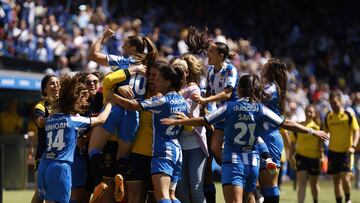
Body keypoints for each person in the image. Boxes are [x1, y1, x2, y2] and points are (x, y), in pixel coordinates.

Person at [161, 74, 328, 203]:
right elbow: (286, 123)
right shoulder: (261, 109)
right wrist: (311, 131)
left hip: (234, 163)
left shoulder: (230, 107)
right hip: (253, 165)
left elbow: (205, 120)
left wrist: (181, 121)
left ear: (239, 89)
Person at [88, 28, 157, 202]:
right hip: (134, 116)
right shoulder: (149, 69)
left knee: (94, 148)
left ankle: (98, 183)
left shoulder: (124, 61)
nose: (121, 47)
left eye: (125, 44)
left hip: (115, 109)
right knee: (123, 156)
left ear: (133, 49)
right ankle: (120, 174)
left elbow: (94, 55)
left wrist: (103, 36)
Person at [108, 61, 187, 203]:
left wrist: (111, 94)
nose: (154, 82)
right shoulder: (181, 100)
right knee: (171, 196)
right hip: (176, 150)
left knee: (162, 197)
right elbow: (188, 126)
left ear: (168, 82)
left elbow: (132, 105)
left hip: (162, 151)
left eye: (158, 79)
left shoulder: (162, 101)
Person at [37, 75, 113, 203]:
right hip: (61, 166)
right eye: (81, 100)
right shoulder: (73, 120)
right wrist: (109, 103)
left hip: (45, 164)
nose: (83, 103)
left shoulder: (50, 119)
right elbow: (101, 120)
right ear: (73, 101)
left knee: (44, 200)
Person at [171, 54, 208, 203]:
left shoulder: (193, 90)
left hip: (195, 145)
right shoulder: (170, 91)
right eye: (173, 69)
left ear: (187, 72)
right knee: (181, 191)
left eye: (180, 70)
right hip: (177, 146)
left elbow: (185, 114)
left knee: (196, 188)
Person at [258, 58, 288, 203]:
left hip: (269, 139)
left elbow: (253, 99)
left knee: (269, 184)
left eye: (265, 65)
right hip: (262, 137)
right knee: (259, 183)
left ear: (269, 71)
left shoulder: (271, 88)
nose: (261, 65)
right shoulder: (270, 87)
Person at [325, 91, 360, 203]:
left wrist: (353, 146)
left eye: (335, 103)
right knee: (336, 180)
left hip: (346, 152)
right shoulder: (328, 116)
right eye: (331, 103)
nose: (333, 105)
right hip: (332, 152)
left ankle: (348, 199)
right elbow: (325, 132)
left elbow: (357, 131)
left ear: (341, 102)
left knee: (345, 178)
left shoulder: (348, 115)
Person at [31, 75, 60, 203]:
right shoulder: (40, 106)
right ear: (44, 89)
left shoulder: (66, 105)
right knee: (41, 193)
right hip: (43, 156)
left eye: (58, 83)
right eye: (52, 84)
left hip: (60, 156)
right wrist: (56, 112)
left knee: (54, 194)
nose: (56, 86)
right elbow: (40, 123)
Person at [289, 105, 323, 203]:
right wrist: (290, 156)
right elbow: (292, 143)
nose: (309, 114)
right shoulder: (299, 126)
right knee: (302, 183)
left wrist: (322, 157)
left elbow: (321, 145)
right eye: (307, 111)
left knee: (314, 184)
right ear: (304, 112)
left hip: (314, 158)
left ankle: (315, 200)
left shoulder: (318, 127)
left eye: (311, 112)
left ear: (314, 114)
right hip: (301, 157)